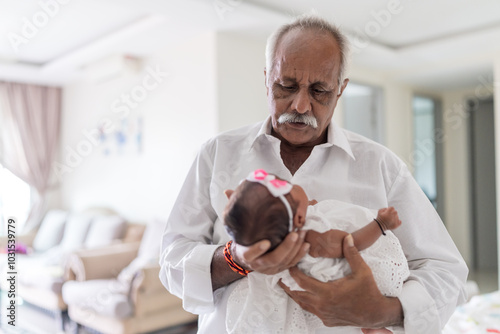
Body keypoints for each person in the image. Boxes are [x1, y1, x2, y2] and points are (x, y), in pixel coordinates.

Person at [159, 13, 468, 334]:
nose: (301, 105)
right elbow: (171, 262)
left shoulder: (381, 166)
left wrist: (381, 311)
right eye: (286, 86)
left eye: (319, 90)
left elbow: (446, 271)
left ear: (340, 90)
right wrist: (236, 258)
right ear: (267, 79)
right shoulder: (217, 154)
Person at [223, 169, 410, 333]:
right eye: (290, 186)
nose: (296, 185)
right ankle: (373, 327)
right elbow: (354, 244)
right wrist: (381, 224)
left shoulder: (279, 237)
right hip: (344, 284)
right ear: (298, 219)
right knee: (362, 298)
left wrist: (306, 207)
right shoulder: (316, 239)